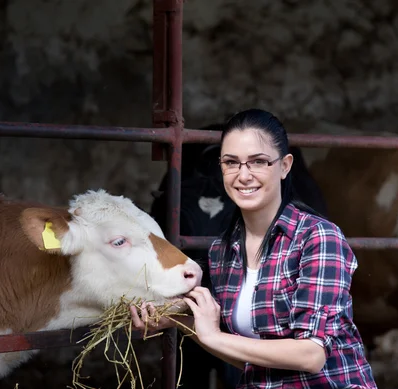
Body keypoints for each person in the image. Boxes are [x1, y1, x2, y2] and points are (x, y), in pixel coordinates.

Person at [130, 108, 378, 389]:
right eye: (231, 163)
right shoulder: (223, 252)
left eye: (258, 162)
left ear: (285, 166)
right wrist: (180, 322)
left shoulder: (318, 237)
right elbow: (247, 356)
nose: (243, 175)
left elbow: (311, 355)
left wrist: (213, 336)